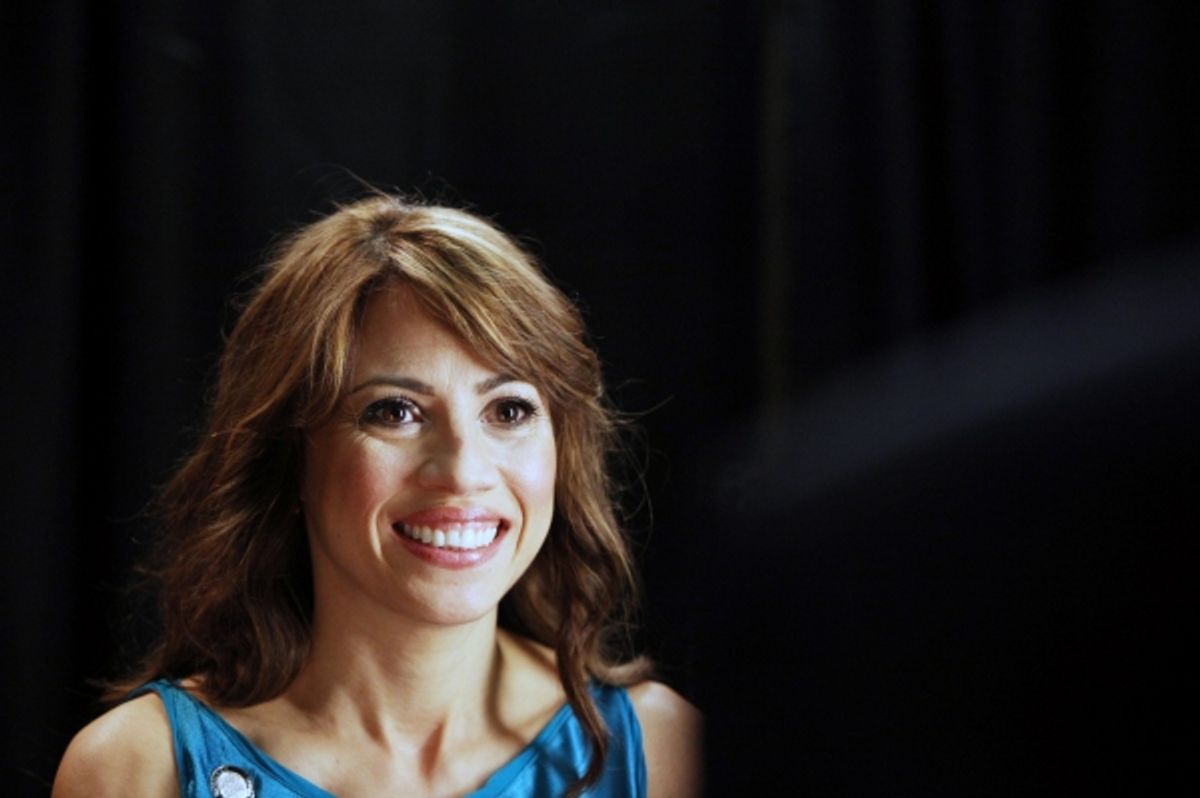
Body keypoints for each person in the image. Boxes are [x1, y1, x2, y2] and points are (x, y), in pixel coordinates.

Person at [52, 194, 702, 797]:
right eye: (395, 411)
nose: (463, 472)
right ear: (286, 456)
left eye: (508, 411)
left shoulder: (664, 752)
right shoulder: (138, 770)